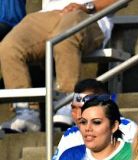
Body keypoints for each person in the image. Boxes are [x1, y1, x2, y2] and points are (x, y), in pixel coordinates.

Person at [0, 0, 118, 133]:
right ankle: (25, 112)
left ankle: (67, 105)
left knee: (64, 38)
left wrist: (87, 7)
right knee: (9, 47)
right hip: (47, 15)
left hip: (88, 15)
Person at [50, 97, 133, 160]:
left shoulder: (135, 154)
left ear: (114, 126)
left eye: (96, 122)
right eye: (83, 122)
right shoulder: (69, 156)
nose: (87, 128)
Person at [52, 79, 138, 160]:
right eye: (74, 108)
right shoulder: (69, 136)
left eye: (84, 108)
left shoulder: (128, 129)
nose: (78, 116)